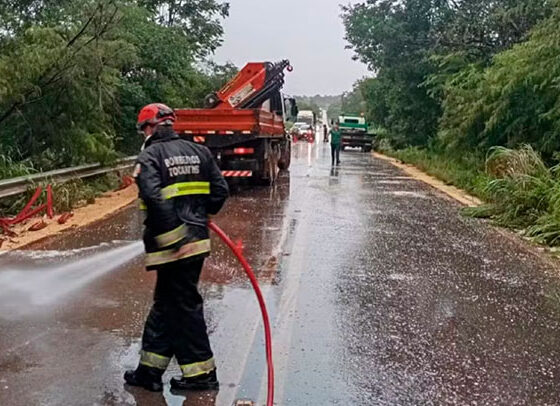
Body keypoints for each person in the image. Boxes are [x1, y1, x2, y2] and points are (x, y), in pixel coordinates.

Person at [124, 103, 229, 392]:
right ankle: (149, 372)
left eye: (143, 129)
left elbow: (153, 197)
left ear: (150, 127)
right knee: (167, 305)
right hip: (195, 243)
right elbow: (221, 191)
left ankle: (202, 375)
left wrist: (175, 237)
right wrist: (200, 216)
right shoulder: (200, 152)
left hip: (173, 248)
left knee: (183, 307)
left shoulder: (150, 156)